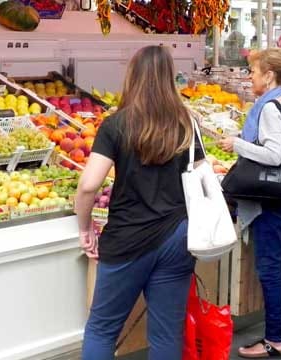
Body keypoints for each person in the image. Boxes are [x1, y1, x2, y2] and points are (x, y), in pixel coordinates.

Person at [75, 45, 204, 360]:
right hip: (177, 237)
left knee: (102, 329)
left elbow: (89, 184)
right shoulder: (186, 123)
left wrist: (85, 227)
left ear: (132, 77)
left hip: (128, 238)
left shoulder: (116, 124)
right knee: (165, 333)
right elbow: (203, 175)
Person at [218, 48, 281, 358]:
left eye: (253, 72)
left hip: (268, 197)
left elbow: (274, 155)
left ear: (269, 76)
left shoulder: (268, 108)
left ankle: (273, 340)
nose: (249, 77)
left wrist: (237, 143)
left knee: (269, 269)